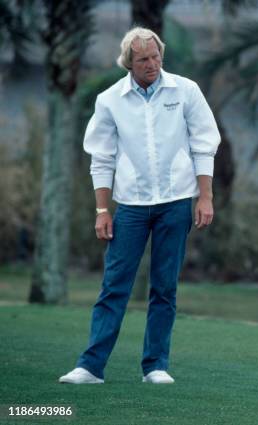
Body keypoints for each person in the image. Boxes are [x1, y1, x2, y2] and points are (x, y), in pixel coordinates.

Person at [59, 27, 221, 384]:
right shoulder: (110, 100)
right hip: (130, 207)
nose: (152, 64)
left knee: (165, 288)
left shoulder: (186, 91)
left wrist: (204, 197)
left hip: (176, 203)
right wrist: (102, 210)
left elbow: (203, 145)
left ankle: (155, 366)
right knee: (114, 285)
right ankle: (90, 366)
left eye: (156, 56)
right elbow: (101, 158)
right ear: (128, 63)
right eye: (143, 59)